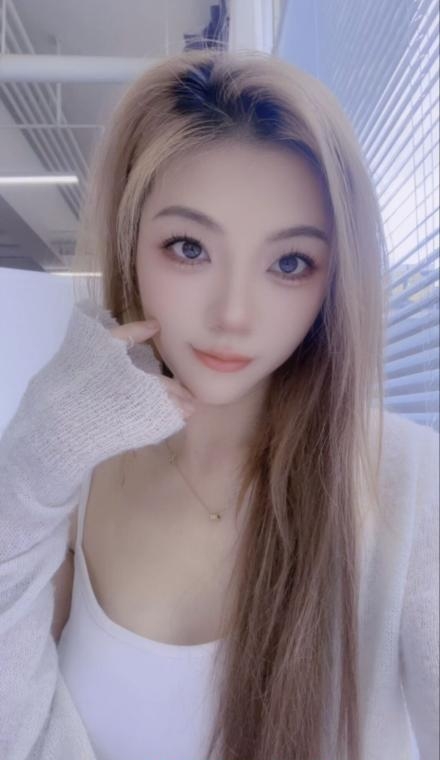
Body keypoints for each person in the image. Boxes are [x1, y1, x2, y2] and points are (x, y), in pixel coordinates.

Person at [0, 48, 438, 760]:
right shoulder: (80, 471)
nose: (234, 315)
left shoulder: (408, 483)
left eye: (289, 263)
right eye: (189, 247)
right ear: (130, 245)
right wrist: (30, 462)